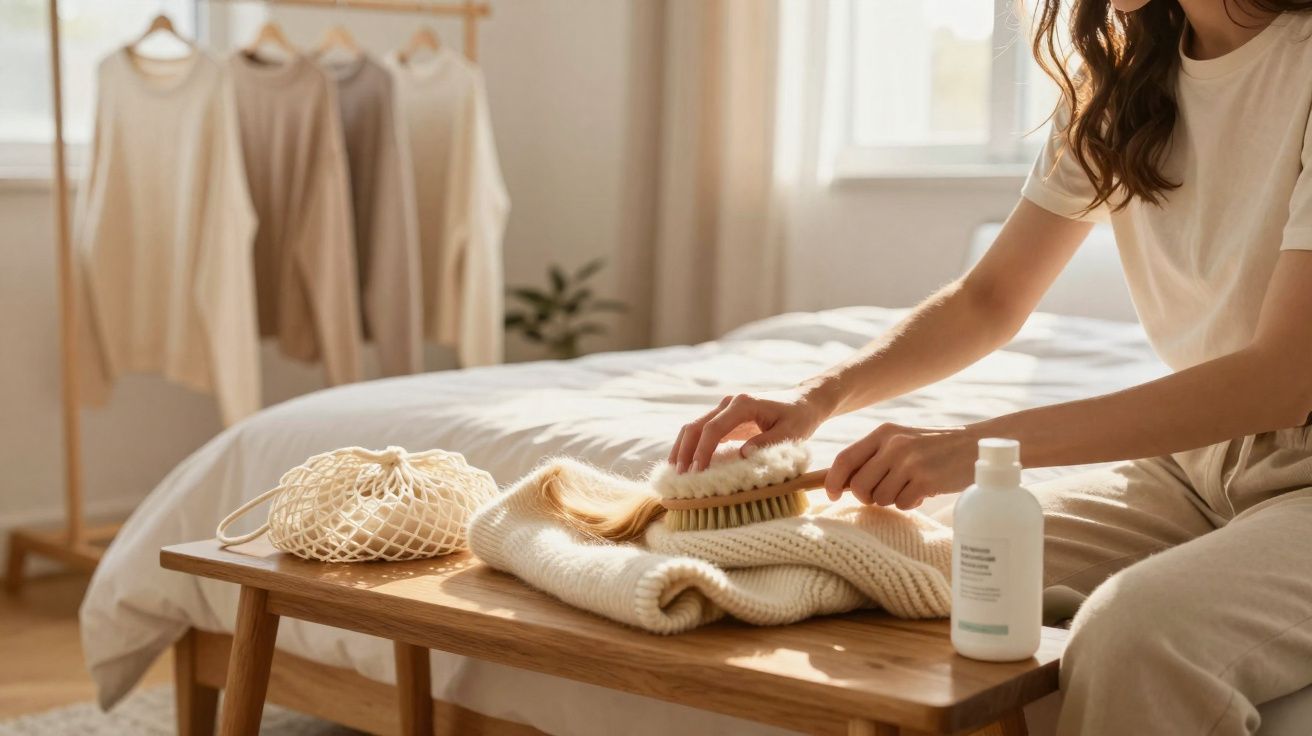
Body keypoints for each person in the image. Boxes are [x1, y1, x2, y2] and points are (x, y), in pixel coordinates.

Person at [668, 1, 1312, 733]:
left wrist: (975, 448)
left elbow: (1279, 381)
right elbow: (989, 298)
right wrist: (819, 397)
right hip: (1197, 464)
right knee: (902, 563)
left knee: (1134, 635)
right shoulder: (1122, 80)